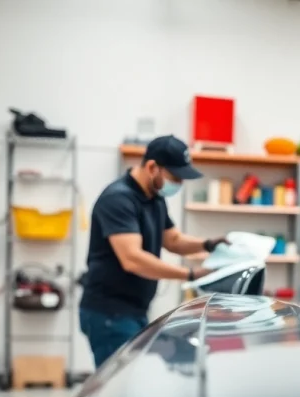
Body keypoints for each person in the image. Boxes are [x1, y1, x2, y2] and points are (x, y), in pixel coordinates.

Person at [79, 135, 226, 368]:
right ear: (151, 167)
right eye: (175, 177)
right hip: (109, 313)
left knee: (133, 379)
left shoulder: (154, 198)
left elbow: (173, 240)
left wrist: (207, 244)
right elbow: (133, 259)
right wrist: (189, 275)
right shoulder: (118, 199)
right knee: (120, 387)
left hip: (134, 310)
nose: (179, 183)